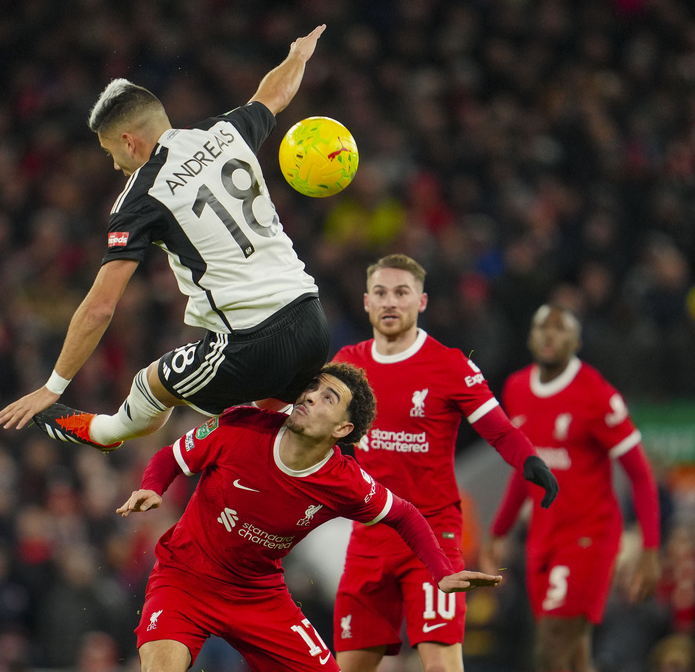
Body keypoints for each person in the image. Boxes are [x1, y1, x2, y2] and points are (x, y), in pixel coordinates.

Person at [0, 26, 332, 451]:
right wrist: (298, 57)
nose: (115, 165)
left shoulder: (140, 196)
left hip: (253, 343)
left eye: (109, 153)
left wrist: (54, 385)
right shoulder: (225, 131)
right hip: (312, 319)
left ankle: (103, 433)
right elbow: (274, 95)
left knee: (149, 387)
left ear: (129, 142)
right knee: (272, 424)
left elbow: (100, 307)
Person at [116, 362, 503, 672]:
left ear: (343, 428)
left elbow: (404, 515)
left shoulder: (345, 482)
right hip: (185, 580)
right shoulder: (241, 426)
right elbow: (170, 456)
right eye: (313, 388)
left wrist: (440, 571)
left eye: (327, 397)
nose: (311, 397)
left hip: (258, 596)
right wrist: (153, 486)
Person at [330, 253, 560, 672]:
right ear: (366, 302)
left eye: (402, 293)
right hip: (369, 537)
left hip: (433, 535)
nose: (390, 302)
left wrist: (530, 461)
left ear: (422, 301)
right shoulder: (348, 363)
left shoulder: (450, 365)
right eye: (380, 293)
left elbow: (500, 430)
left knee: (440, 665)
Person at [480, 304, 661, 672]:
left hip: (589, 535)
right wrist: (499, 531)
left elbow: (641, 475)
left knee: (551, 641)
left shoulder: (596, 394)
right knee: (574, 653)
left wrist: (650, 549)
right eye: (542, 327)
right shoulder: (516, 388)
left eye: (560, 329)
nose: (549, 334)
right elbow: (526, 470)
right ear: (530, 337)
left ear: (576, 340)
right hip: (543, 537)